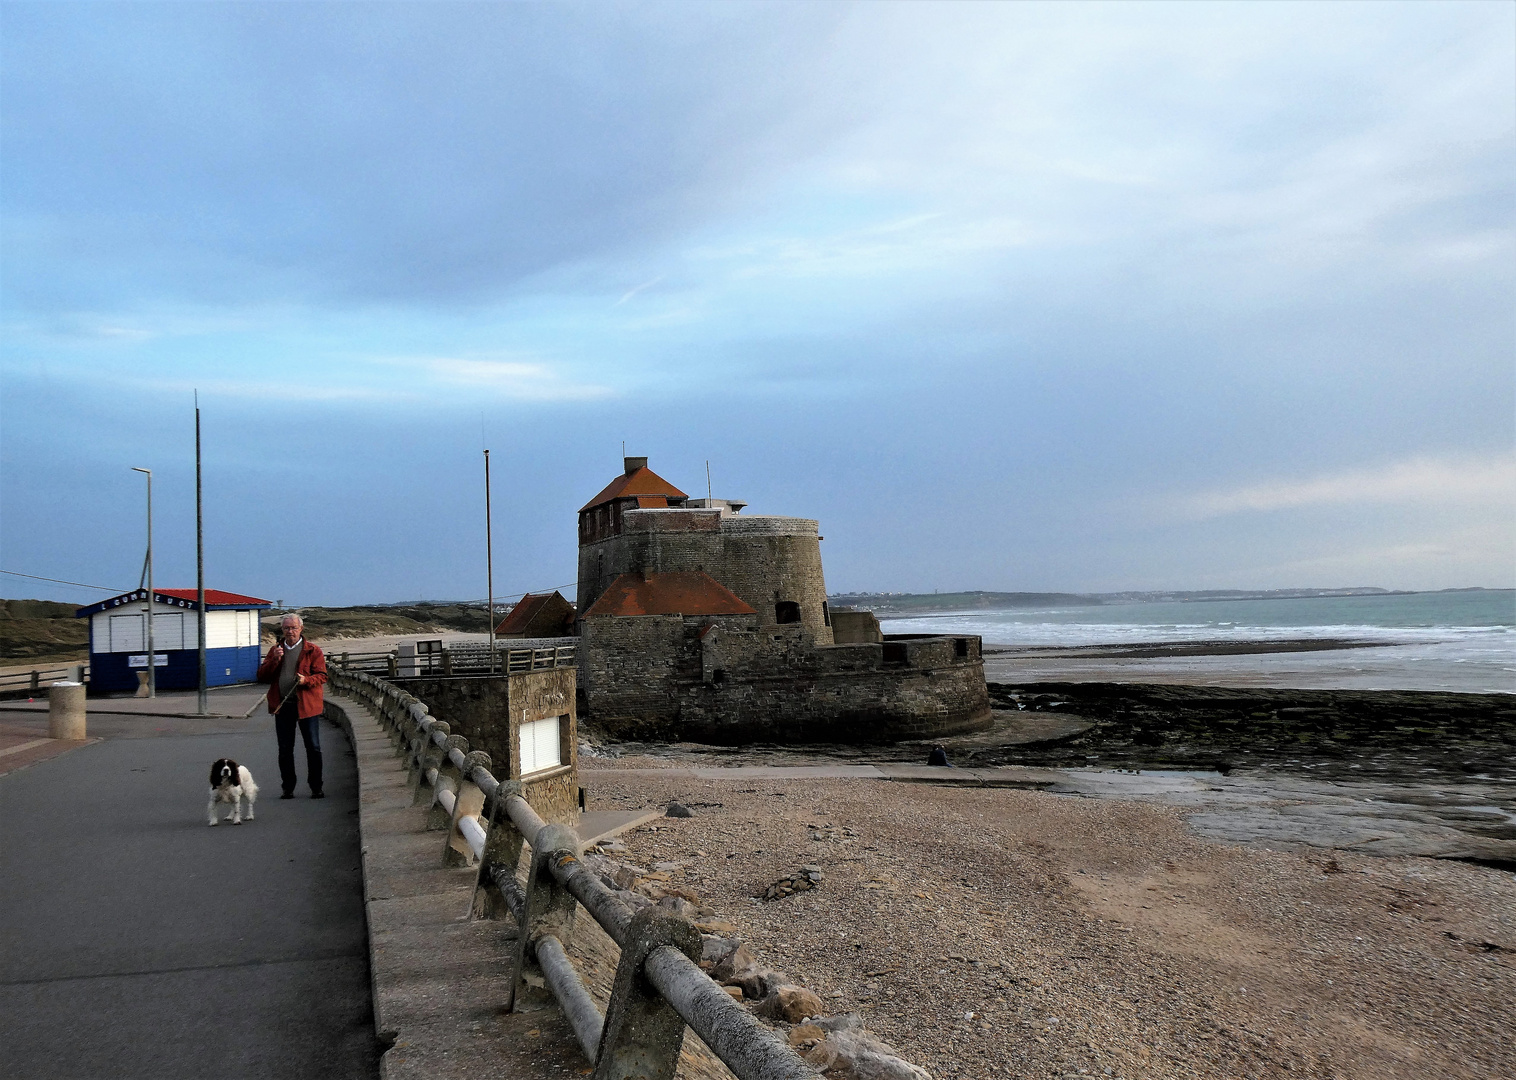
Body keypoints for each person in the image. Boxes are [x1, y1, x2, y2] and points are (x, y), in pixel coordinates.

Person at [256, 613, 328, 799]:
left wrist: (306, 680)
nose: (290, 631)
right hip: (283, 705)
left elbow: (322, 676)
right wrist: (274, 661)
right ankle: (288, 787)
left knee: (313, 747)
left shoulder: (313, 650)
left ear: (301, 629)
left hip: (307, 706)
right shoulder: (275, 650)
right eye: (287, 628)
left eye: (294, 628)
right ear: (282, 630)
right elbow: (262, 676)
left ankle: (316, 787)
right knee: (285, 748)